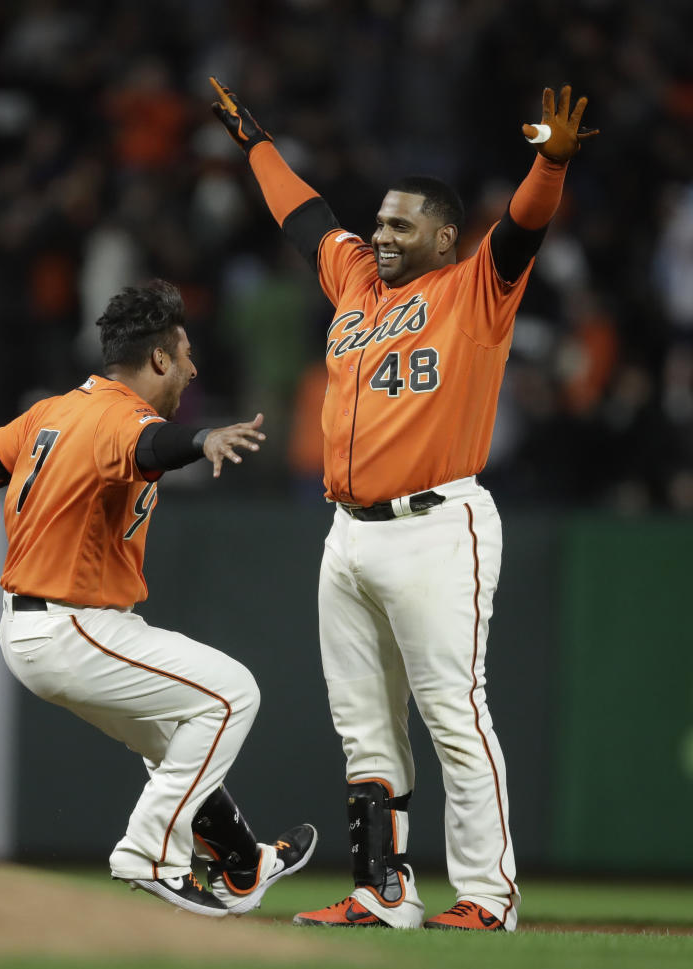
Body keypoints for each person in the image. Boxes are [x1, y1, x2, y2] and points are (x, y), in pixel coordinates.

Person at [210, 79, 596, 931]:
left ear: (444, 237)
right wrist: (257, 147)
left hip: (436, 523)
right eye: (379, 221)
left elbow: (525, 225)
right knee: (364, 725)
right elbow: (305, 218)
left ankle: (488, 896)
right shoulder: (356, 283)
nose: (379, 234)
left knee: (455, 713)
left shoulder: (475, 291)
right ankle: (384, 892)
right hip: (347, 532)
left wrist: (551, 162)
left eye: (398, 223)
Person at [0, 280, 317, 917]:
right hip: (73, 627)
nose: (192, 366)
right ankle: (149, 854)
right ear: (158, 359)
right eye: (184, 352)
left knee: (170, 740)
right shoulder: (122, 416)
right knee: (233, 692)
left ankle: (242, 863)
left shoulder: (52, 411)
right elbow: (148, 446)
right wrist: (203, 439)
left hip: (38, 630)